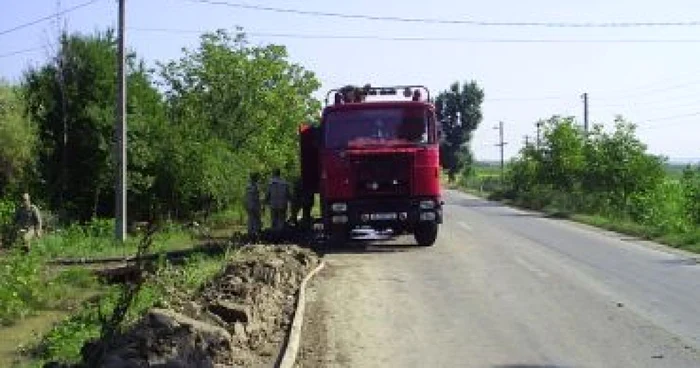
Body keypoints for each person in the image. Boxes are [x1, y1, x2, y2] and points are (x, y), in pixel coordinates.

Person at [265, 169, 291, 235]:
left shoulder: (270, 183)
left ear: (273, 174)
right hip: (282, 204)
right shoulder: (285, 183)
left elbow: (267, 194)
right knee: (281, 220)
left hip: (273, 204)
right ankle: (281, 234)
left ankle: (274, 235)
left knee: (274, 220)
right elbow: (288, 194)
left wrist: (265, 202)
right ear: (279, 174)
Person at [244, 172, 262, 240]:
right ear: (256, 178)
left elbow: (246, 197)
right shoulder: (256, 186)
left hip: (248, 205)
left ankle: (250, 233)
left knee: (250, 219)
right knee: (256, 220)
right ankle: (255, 235)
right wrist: (261, 206)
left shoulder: (247, 186)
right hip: (255, 205)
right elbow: (257, 198)